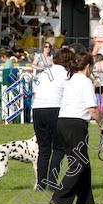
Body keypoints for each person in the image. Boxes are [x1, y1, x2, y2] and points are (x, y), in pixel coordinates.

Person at [50, 53, 103, 204]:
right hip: (75, 125)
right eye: (93, 67)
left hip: (62, 123)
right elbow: (93, 109)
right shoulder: (85, 81)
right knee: (79, 164)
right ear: (88, 66)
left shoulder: (71, 79)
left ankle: (85, 201)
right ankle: (60, 198)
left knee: (83, 163)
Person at [32, 48, 72, 190]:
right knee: (59, 148)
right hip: (54, 109)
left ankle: (41, 183)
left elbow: (36, 91)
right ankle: (52, 181)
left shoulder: (45, 73)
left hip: (37, 109)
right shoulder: (66, 75)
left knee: (43, 149)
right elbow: (68, 96)